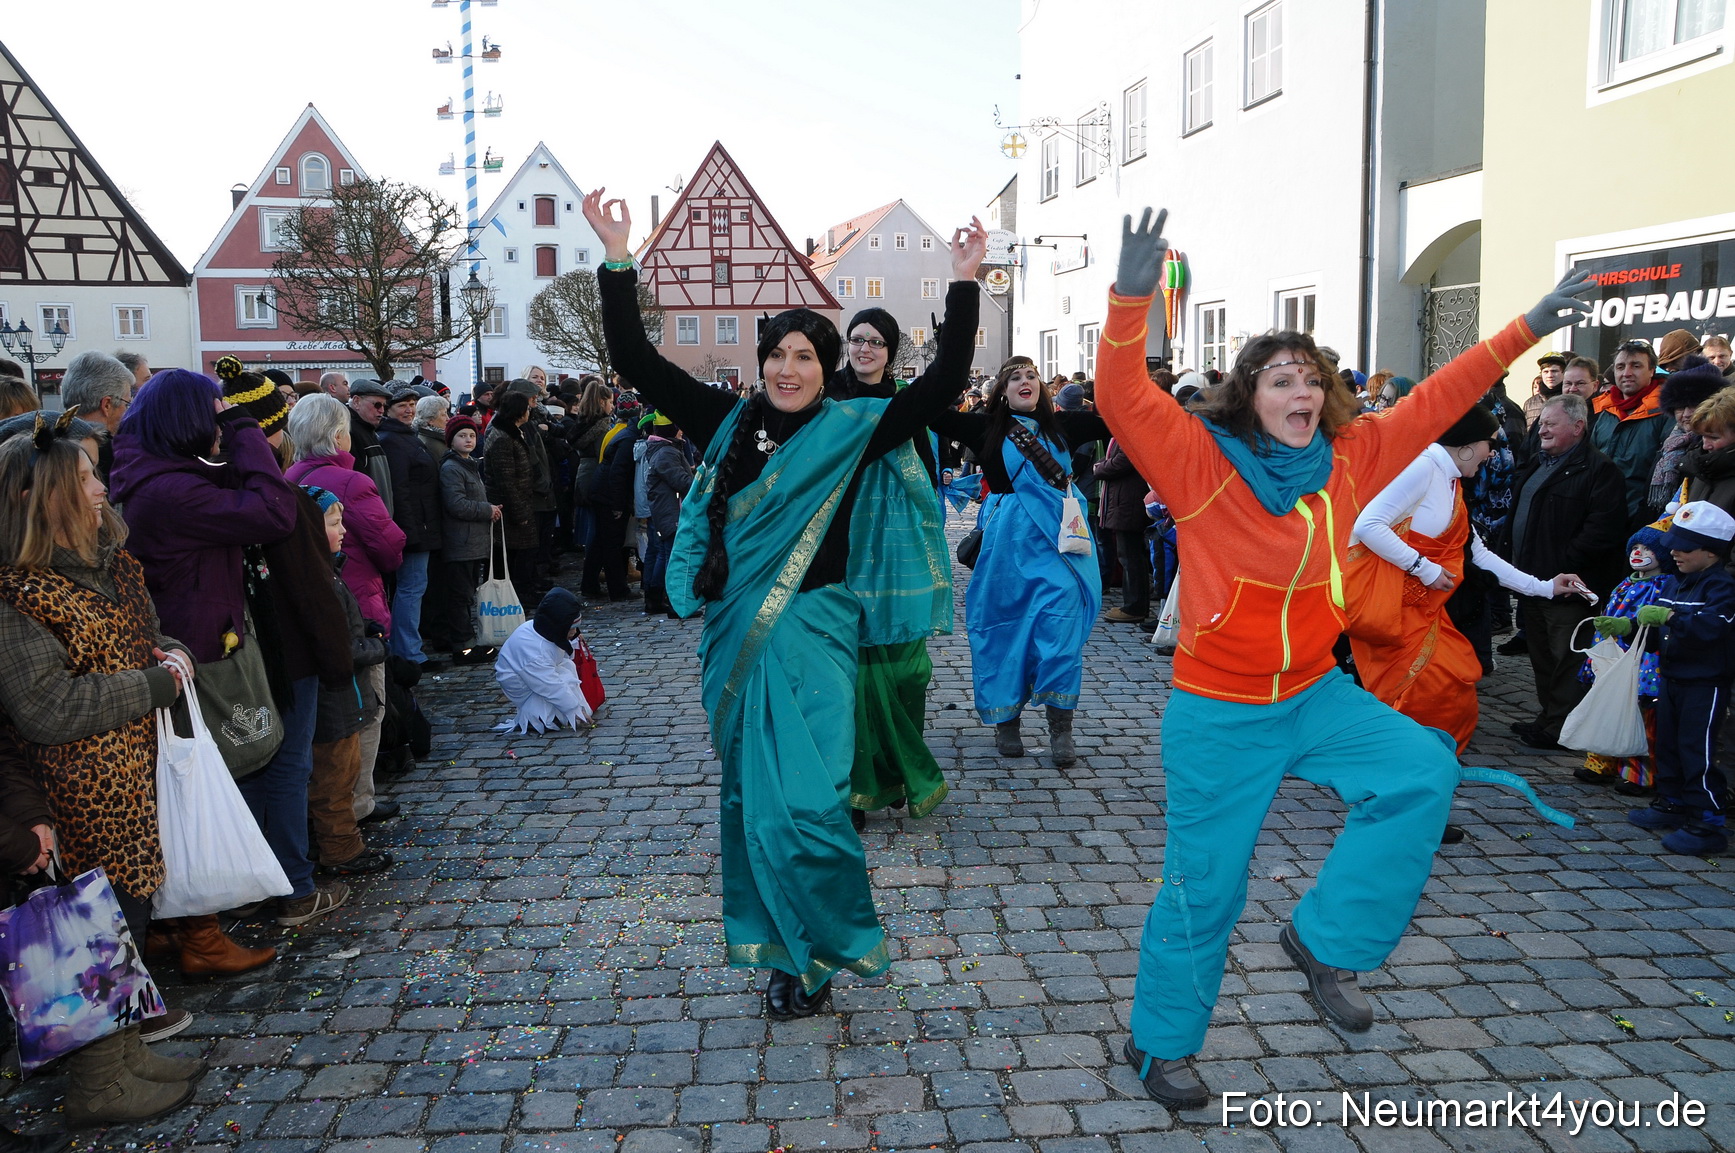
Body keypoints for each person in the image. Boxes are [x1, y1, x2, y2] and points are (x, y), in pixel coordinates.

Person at [1095, 207, 1597, 1108]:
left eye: (1310, 377)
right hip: (1219, 712)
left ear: (1324, 395)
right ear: (1249, 393)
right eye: (1278, 376)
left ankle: (1324, 939)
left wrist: (1531, 324)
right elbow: (1123, 397)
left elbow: (1440, 396)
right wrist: (1131, 297)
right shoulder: (1198, 463)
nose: (1297, 389)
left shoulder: (1353, 457)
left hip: (1316, 693)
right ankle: (1158, 1043)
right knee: (1203, 889)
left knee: (1418, 770)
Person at [585, 187, 986, 1020]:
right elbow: (636, 363)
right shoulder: (726, 423)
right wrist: (618, 258)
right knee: (755, 807)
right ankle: (789, 958)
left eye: (806, 355)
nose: (789, 368)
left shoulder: (855, 424)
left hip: (821, 633)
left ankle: (825, 936)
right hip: (741, 642)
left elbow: (944, 381)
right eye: (778, 355)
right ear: (761, 362)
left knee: (812, 803)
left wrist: (960, 283)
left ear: (825, 365)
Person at [0, 420, 208, 1126]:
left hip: (133, 772)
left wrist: (171, 653)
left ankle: (123, 1054)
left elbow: (144, 637)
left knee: (128, 916)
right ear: (42, 497)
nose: (100, 486)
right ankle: (97, 1081)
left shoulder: (110, 558)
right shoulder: (15, 592)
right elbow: (45, 706)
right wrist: (154, 682)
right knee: (88, 931)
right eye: (85, 477)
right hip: (73, 790)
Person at [1347, 404, 1584, 756]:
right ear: (1468, 443)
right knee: (1430, 692)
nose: (1493, 455)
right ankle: (1406, 768)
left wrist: (1545, 587)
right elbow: (1367, 526)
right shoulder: (1424, 467)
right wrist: (1424, 568)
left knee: (1451, 685)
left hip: (1423, 611)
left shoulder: (1450, 480)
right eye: (1491, 444)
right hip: (1393, 611)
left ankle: (1419, 767)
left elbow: (1478, 554)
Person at [827, 290, 980, 827]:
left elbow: (923, 478)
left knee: (908, 673)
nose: (865, 347)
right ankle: (856, 789)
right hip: (843, 552)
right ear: (847, 347)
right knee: (855, 676)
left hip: (902, 554)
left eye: (877, 341)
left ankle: (891, 771)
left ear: (891, 352)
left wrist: (963, 284)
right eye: (858, 339)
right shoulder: (828, 403)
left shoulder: (906, 405)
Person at [931, 357, 1109, 766]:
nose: (1025, 381)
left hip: (1059, 543)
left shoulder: (1066, 425)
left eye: (1031, 376)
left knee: (1061, 628)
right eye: (1015, 378)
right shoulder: (984, 427)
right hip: (1006, 546)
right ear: (1002, 390)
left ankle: (1060, 726)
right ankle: (1006, 720)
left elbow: (1121, 418)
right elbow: (931, 414)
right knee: (1003, 631)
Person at [284, 395, 406, 825]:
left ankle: (331, 806)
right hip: (357, 603)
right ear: (338, 434)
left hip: (308, 607)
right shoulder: (351, 482)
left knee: (325, 720)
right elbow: (389, 544)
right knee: (365, 708)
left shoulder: (288, 477)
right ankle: (358, 803)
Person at [1498, 394, 1629, 750]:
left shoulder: (1600, 471)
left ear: (1577, 426)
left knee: (1567, 658)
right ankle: (1550, 717)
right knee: (1541, 656)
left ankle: (1564, 727)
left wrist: (1563, 564)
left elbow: (1603, 529)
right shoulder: (1538, 463)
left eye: (1551, 423)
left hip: (1568, 585)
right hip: (1534, 583)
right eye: (1541, 423)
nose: (1542, 429)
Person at [1620, 501, 1735, 856]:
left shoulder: (1723, 588)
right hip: (1672, 677)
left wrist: (1670, 619)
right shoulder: (1676, 583)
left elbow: (1714, 629)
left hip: (1705, 683)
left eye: (1684, 547)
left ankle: (1708, 821)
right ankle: (1671, 800)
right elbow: (1656, 635)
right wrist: (1629, 629)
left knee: (1695, 750)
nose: (1674, 552)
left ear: (1712, 553)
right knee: (1667, 744)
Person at [300, 485, 395, 877]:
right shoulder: (316, 579)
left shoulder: (328, 571)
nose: (343, 531)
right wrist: (375, 646)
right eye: (335, 523)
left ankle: (340, 839)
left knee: (345, 772)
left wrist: (366, 630)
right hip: (334, 698)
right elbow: (341, 647)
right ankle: (341, 849)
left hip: (344, 698)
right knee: (334, 782)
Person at [1579, 525, 1674, 793]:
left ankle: (1639, 775)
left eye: (1647, 549)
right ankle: (1600, 762)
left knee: (1640, 716)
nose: (1638, 553)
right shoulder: (1625, 583)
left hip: (1643, 660)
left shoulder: (1663, 586)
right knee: (1605, 707)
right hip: (1613, 655)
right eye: (1635, 547)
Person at [378, 384, 442, 667]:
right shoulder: (393, 439)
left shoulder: (406, 436)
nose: (408, 409)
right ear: (389, 408)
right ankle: (409, 653)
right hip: (413, 526)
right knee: (411, 588)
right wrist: (410, 532)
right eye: (402, 404)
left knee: (414, 587)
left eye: (412, 404)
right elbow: (399, 490)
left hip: (421, 522)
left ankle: (408, 648)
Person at [439, 415, 501, 662]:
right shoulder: (452, 468)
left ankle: (469, 640)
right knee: (460, 596)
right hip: (461, 542)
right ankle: (463, 646)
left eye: (472, 435)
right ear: (451, 440)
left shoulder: (469, 464)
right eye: (462, 436)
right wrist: (487, 510)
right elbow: (456, 504)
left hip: (473, 542)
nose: (468, 440)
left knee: (467, 594)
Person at [1592, 339, 1671, 530]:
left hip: (1640, 521)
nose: (1626, 373)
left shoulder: (1666, 412)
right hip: (1598, 517)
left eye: (1636, 366)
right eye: (1620, 367)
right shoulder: (1605, 410)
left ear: (1652, 370)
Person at [494, 587, 592, 733]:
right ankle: (540, 716)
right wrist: (574, 709)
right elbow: (550, 686)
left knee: (567, 669)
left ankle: (558, 711)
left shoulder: (542, 628)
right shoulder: (534, 652)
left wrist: (573, 638)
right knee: (562, 681)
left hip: (536, 676)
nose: (574, 631)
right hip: (526, 689)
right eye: (572, 627)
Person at [483, 389, 542, 609]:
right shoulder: (502, 438)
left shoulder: (510, 432)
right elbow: (505, 479)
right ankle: (517, 595)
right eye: (527, 407)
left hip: (519, 503)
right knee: (513, 555)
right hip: (509, 507)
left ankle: (523, 591)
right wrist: (519, 513)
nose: (530, 411)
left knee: (521, 553)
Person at [1651, 359, 1726, 514]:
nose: (1686, 414)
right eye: (1679, 407)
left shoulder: (1714, 449)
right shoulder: (1669, 442)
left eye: (1693, 405)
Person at [1095, 437, 1154, 626]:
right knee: (1129, 556)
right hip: (1125, 500)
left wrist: (1100, 468)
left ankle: (1134, 607)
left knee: (1130, 556)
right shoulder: (1125, 432)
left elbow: (1120, 463)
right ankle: (1133, 604)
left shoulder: (1132, 434)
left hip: (1128, 502)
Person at [642, 416, 692, 621]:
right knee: (673, 557)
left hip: (665, 509)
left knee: (664, 554)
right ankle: (672, 603)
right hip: (670, 510)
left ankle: (655, 599)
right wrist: (699, 481)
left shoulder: (664, 450)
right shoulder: (666, 452)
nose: (682, 432)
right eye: (679, 429)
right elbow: (680, 481)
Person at [346, 380, 395, 515]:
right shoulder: (349, 431)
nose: (382, 410)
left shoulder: (369, 429)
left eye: (384, 406)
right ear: (356, 401)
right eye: (377, 405)